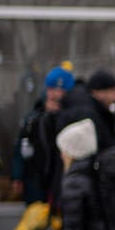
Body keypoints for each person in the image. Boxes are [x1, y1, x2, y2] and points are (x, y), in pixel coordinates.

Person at [16, 67, 71, 204]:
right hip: (36, 179)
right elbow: (21, 147)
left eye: (60, 90)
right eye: (51, 90)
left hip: (61, 179)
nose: (55, 95)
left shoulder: (72, 115)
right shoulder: (34, 117)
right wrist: (17, 175)